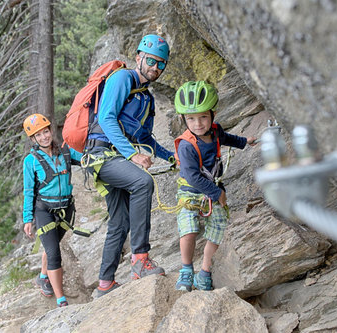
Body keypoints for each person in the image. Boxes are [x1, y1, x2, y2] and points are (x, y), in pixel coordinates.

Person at [85, 34, 175, 298]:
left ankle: (105, 284)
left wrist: (170, 156)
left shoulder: (146, 99)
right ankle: (140, 259)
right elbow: (106, 117)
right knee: (142, 182)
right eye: (151, 61)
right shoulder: (123, 79)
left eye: (161, 64)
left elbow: (145, 138)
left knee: (120, 222)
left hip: (115, 157)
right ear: (139, 57)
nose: (155, 68)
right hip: (101, 154)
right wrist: (132, 155)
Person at [173, 81, 256, 291]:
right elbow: (192, 177)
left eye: (203, 117)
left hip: (213, 191)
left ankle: (205, 271)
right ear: (183, 119)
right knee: (189, 230)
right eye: (191, 119)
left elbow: (226, 138)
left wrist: (245, 142)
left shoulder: (215, 132)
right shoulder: (186, 145)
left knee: (218, 229)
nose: (198, 123)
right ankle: (185, 270)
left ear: (213, 114)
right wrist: (217, 192)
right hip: (191, 193)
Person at [22, 113, 83, 307]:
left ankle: (43, 276)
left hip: (66, 208)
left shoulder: (65, 152)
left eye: (45, 132)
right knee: (54, 251)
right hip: (44, 210)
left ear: (51, 130)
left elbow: (86, 159)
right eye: (38, 135)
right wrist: (27, 219)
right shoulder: (30, 161)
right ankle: (61, 300)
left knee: (52, 244)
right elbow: (28, 192)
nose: (44, 137)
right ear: (33, 139)